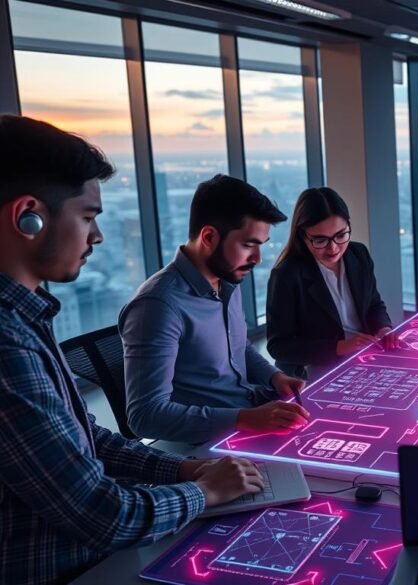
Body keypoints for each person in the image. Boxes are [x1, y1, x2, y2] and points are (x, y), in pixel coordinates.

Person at [0, 115, 265, 584]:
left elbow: (88, 438)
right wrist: (202, 493)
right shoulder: (7, 346)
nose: (96, 237)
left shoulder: (26, 318)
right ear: (29, 216)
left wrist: (185, 469)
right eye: (87, 217)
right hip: (74, 569)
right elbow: (102, 515)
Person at [120, 174, 310, 444]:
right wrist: (244, 419)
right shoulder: (158, 307)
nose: (257, 259)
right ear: (208, 237)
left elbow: (239, 348)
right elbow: (145, 416)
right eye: (248, 245)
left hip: (248, 412)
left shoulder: (228, 279)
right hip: (206, 444)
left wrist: (275, 377)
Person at [266, 186, 394, 379]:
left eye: (341, 235)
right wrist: (339, 347)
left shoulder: (358, 254)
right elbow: (279, 347)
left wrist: (384, 329)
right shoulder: (287, 274)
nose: (333, 248)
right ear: (303, 236)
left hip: (364, 356)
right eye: (320, 240)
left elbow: (373, 305)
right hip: (314, 368)